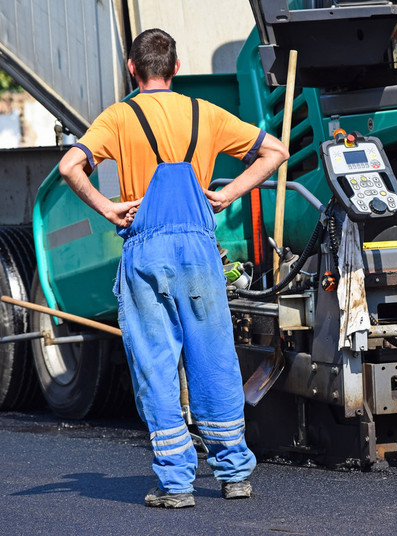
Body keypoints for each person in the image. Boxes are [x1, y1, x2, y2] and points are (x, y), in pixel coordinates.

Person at [58, 28, 289, 508]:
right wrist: (227, 193)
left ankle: (176, 483)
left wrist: (107, 207)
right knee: (214, 360)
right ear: (177, 68)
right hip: (200, 255)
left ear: (131, 68)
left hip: (147, 254)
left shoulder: (119, 117)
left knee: (156, 365)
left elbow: (68, 167)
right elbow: (276, 152)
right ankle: (234, 473)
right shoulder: (204, 113)